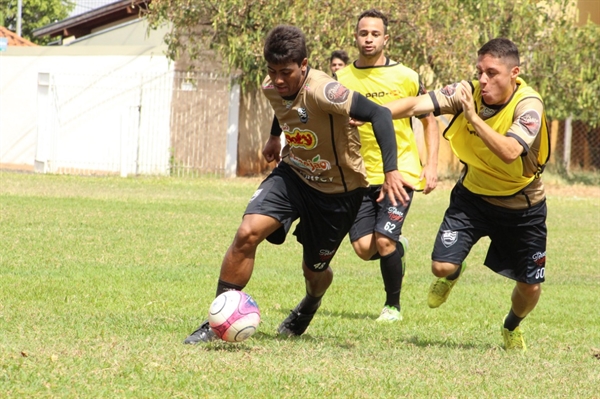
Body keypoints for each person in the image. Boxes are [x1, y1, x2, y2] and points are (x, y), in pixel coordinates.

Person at [183, 25, 408, 344]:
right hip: (294, 175)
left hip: (338, 192)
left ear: (304, 66)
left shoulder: (325, 91)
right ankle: (214, 322)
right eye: (272, 71)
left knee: (314, 271)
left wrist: (391, 171)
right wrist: (275, 137)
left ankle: (310, 304)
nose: (277, 80)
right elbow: (283, 104)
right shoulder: (271, 86)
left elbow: (380, 114)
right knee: (247, 233)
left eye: (286, 72)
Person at [381, 37, 550, 350]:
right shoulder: (467, 92)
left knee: (530, 287)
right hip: (472, 199)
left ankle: (511, 327)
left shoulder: (529, 105)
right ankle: (452, 274)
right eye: (480, 71)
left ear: (515, 73)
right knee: (441, 266)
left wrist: (472, 117)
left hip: (522, 207)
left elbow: (511, 151)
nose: (483, 80)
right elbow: (417, 103)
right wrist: (373, 112)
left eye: (492, 73)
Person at [336, 9, 439, 323]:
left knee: (383, 241)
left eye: (375, 34)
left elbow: (428, 120)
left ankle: (392, 306)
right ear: (356, 37)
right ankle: (398, 246)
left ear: (386, 39)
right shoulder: (342, 79)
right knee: (364, 248)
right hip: (360, 173)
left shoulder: (406, 77)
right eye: (363, 33)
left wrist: (430, 164)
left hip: (401, 171)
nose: (368, 39)